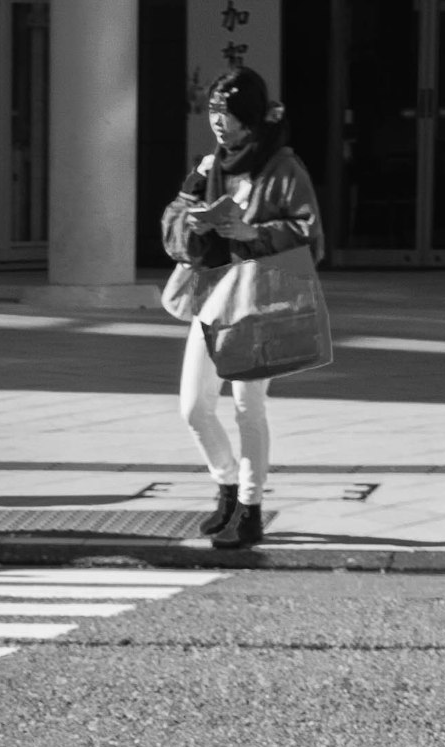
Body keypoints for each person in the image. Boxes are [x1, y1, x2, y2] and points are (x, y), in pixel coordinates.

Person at [170, 69, 323, 550]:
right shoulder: (208, 164)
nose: (218, 123)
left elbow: (310, 234)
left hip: (260, 298)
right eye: (214, 112)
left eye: (228, 114)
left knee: (247, 407)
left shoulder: (283, 167)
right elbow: (174, 222)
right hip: (210, 294)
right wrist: (193, 223)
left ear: (250, 118)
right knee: (194, 406)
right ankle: (228, 486)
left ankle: (251, 509)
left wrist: (252, 234)